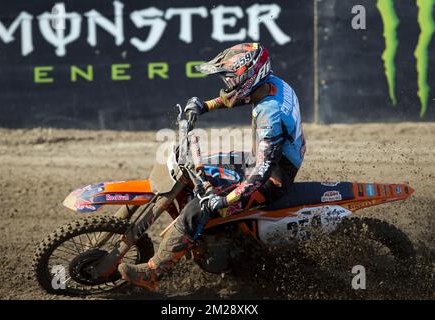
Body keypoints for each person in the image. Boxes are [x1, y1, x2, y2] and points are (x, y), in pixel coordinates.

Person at [118, 42, 306, 290]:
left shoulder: (269, 115)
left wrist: (225, 200)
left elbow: (260, 174)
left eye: (230, 79)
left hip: (272, 178)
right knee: (199, 167)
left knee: (199, 206)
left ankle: (154, 272)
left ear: (248, 76)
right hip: (264, 160)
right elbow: (238, 96)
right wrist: (204, 106)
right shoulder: (272, 84)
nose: (227, 85)